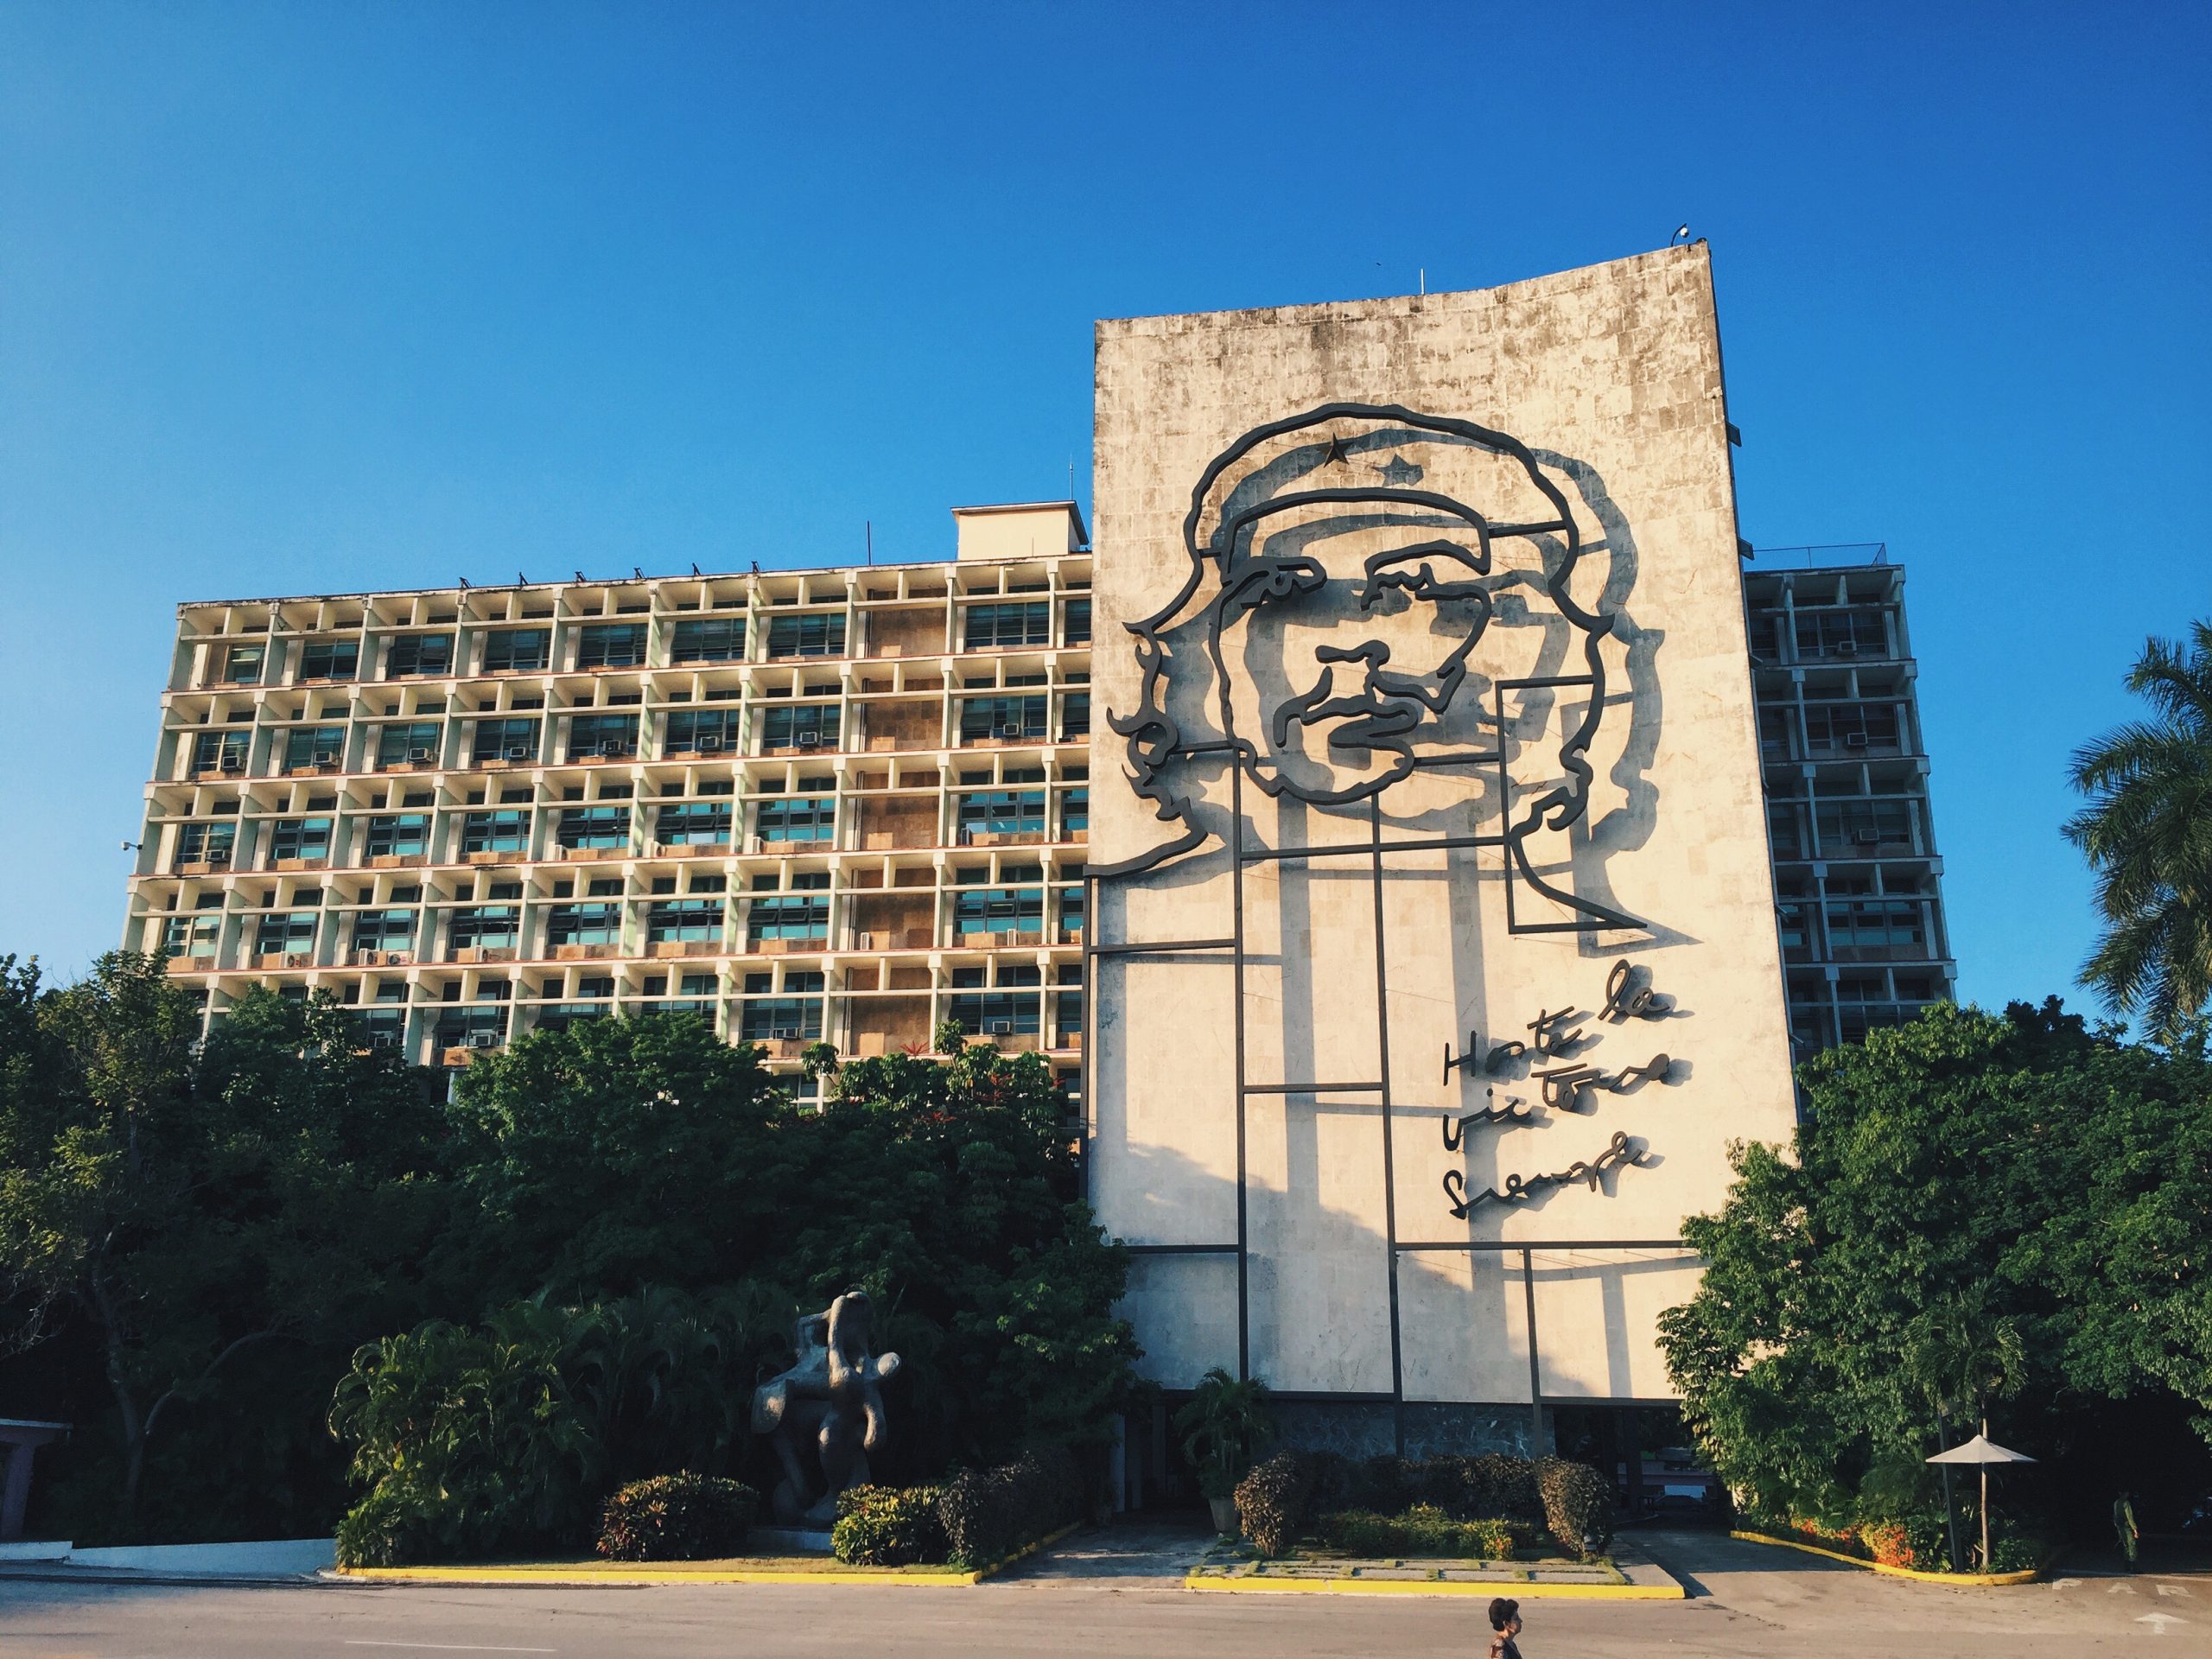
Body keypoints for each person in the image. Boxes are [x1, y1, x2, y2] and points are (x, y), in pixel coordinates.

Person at [1487, 1595, 1524, 1659]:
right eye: (1516, 1618)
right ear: (1506, 1623)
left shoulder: (1510, 1643)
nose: (1520, 1621)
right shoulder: (1499, 1646)